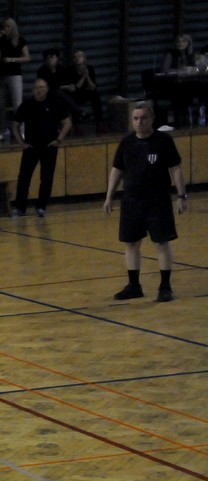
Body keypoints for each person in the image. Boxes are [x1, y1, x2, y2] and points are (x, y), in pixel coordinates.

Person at [103, 101, 188, 303]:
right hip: (132, 201)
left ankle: (165, 286)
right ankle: (134, 286)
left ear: (152, 119)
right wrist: (109, 197)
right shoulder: (126, 143)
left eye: (143, 118)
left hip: (157, 201)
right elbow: (117, 170)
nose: (139, 122)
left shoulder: (163, 141)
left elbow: (175, 169)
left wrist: (181, 195)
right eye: (135, 118)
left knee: (161, 242)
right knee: (131, 243)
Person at [10, 78, 72, 218]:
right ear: (33, 90)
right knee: (24, 177)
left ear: (47, 89)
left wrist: (58, 140)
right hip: (31, 147)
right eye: (37, 87)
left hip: (49, 146)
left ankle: (41, 207)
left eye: (42, 87)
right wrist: (22, 143)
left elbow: (67, 123)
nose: (39, 90)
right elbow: (15, 125)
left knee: (47, 177)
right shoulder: (27, 104)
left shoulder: (55, 103)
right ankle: (20, 207)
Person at [0, 18, 30, 142]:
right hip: (1, 75)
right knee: (0, 105)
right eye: (4, 26)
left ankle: (22, 130)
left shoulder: (20, 40)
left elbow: (27, 57)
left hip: (15, 74)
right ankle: (2, 131)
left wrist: (13, 59)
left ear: (13, 27)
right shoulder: (0, 40)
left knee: (17, 104)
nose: (6, 28)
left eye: (8, 26)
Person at [70, 50, 106, 134]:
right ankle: (77, 125)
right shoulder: (71, 70)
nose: (77, 58)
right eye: (75, 57)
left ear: (84, 58)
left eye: (79, 56)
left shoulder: (89, 68)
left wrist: (87, 76)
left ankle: (99, 123)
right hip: (76, 93)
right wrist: (84, 76)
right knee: (72, 99)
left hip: (86, 91)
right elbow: (76, 87)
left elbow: (92, 86)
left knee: (95, 96)